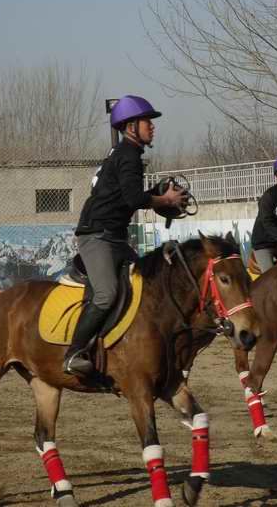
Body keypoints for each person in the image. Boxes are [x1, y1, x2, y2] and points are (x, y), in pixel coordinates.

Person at [62, 95, 188, 376]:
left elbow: (128, 195)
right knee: (107, 294)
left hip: (115, 238)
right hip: (96, 235)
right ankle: (74, 353)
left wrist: (155, 194)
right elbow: (132, 198)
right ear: (131, 126)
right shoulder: (128, 155)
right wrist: (164, 200)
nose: (152, 127)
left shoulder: (127, 154)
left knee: (145, 286)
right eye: (147, 121)